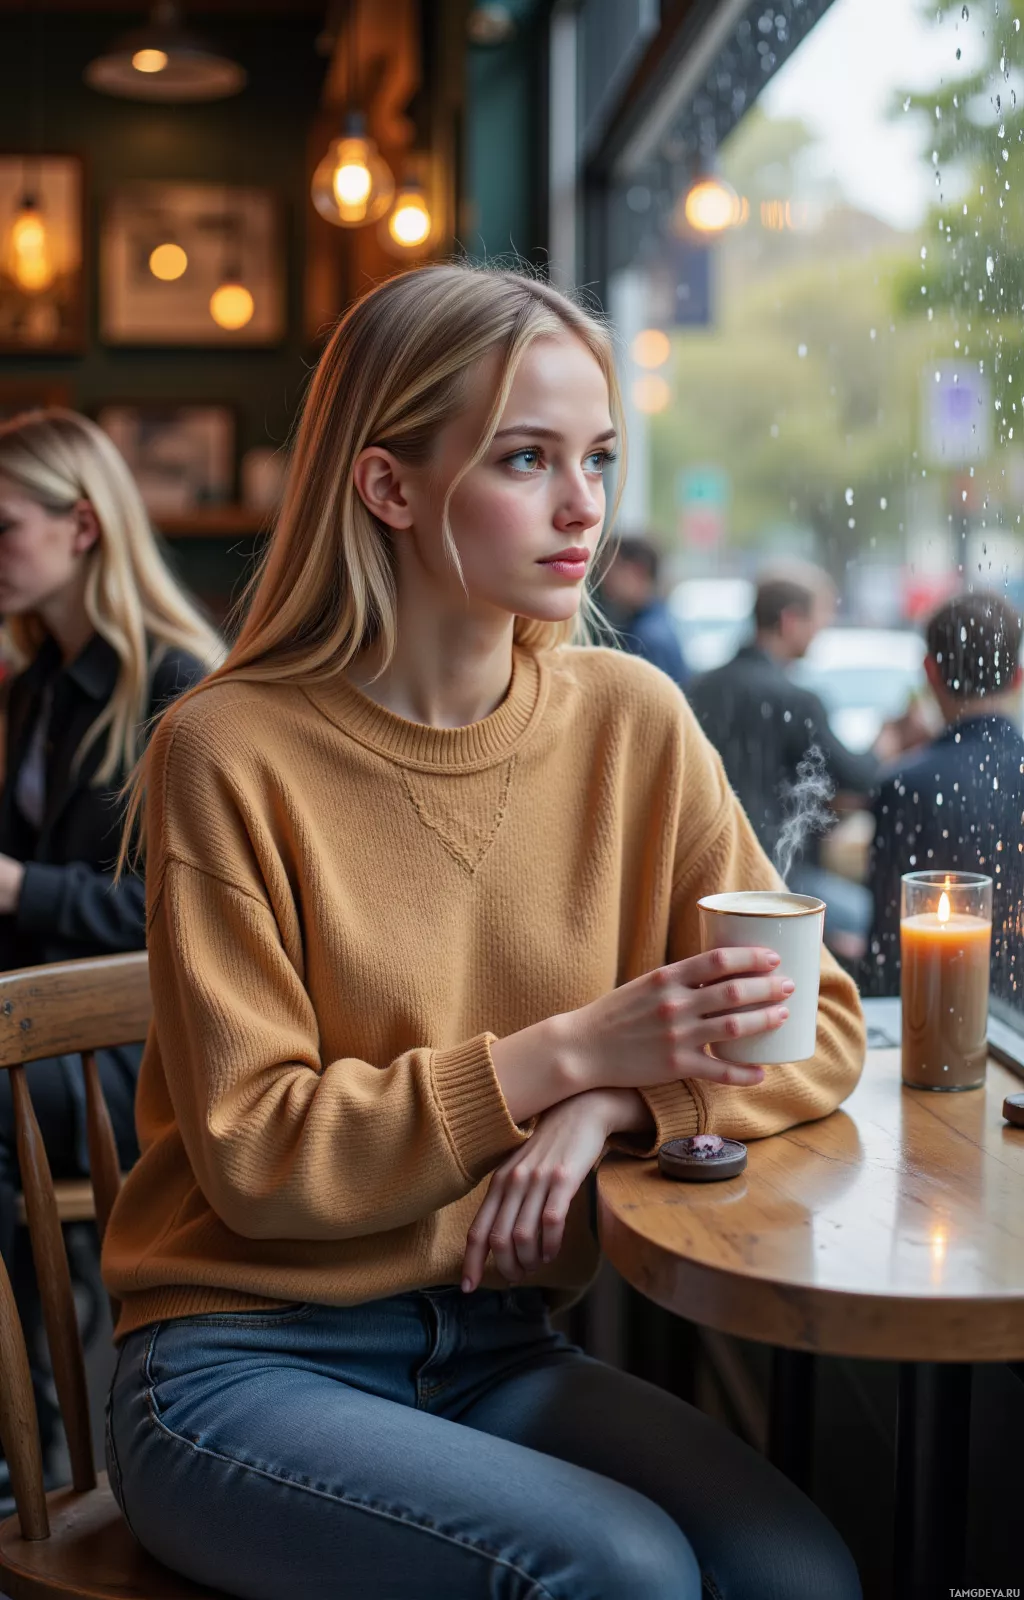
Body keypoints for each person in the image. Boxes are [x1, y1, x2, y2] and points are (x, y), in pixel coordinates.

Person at [102, 264, 865, 1600]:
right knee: (616, 1574)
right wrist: (565, 1055)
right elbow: (259, 1158)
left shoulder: (633, 721)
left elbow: (820, 1027)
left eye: (600, 459)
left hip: (495, 1345)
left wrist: (618, 1103)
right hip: (235, 1361)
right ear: (389, 487)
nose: (586, 509)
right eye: (527, 459)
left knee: (797, 1572)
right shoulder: (224, 749)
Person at [0, 408, 222, 1482]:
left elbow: (176, 918)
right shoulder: (39, 683)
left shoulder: (178, 685)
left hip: (144, 1047)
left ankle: (27, 1438)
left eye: (4, 526)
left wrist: (15, 884)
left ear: (83, 525)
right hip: (49, 1022)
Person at [860, 589, 1024, 998]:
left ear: (930, 672)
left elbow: (887, 941)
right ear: (1018, 677)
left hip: (936, 1006)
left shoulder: (906, 784)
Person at [594, 533, 690, 688]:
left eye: (612, 567)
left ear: (637, 570)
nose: (605, 578)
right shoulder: (650, 625)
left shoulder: (649, 638)